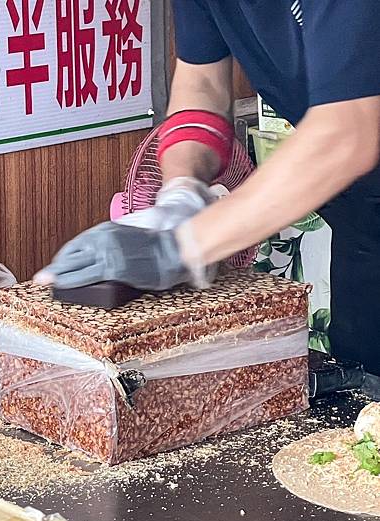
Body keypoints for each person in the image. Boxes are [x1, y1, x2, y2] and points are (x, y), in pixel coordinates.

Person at [35, 1, 380, 375]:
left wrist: (181, 247)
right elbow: (201, 82)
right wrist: (181, 193)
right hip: (362, 219)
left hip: (360, 161)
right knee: (365, 393)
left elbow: (347, 133)